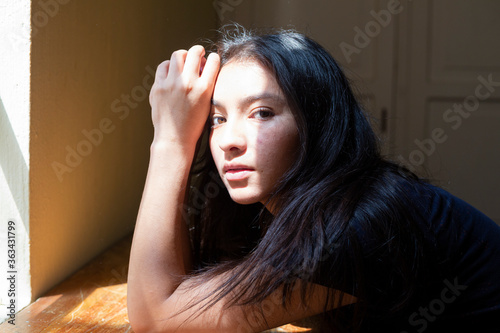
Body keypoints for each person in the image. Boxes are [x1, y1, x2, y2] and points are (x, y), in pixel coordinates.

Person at [127, 26, 500, 333]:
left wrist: (172, 140)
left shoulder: (352, 226)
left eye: (261, 113)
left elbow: (155, 321)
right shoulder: (296, 206)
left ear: (316, 125)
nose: (228, 141)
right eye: (217, 119)